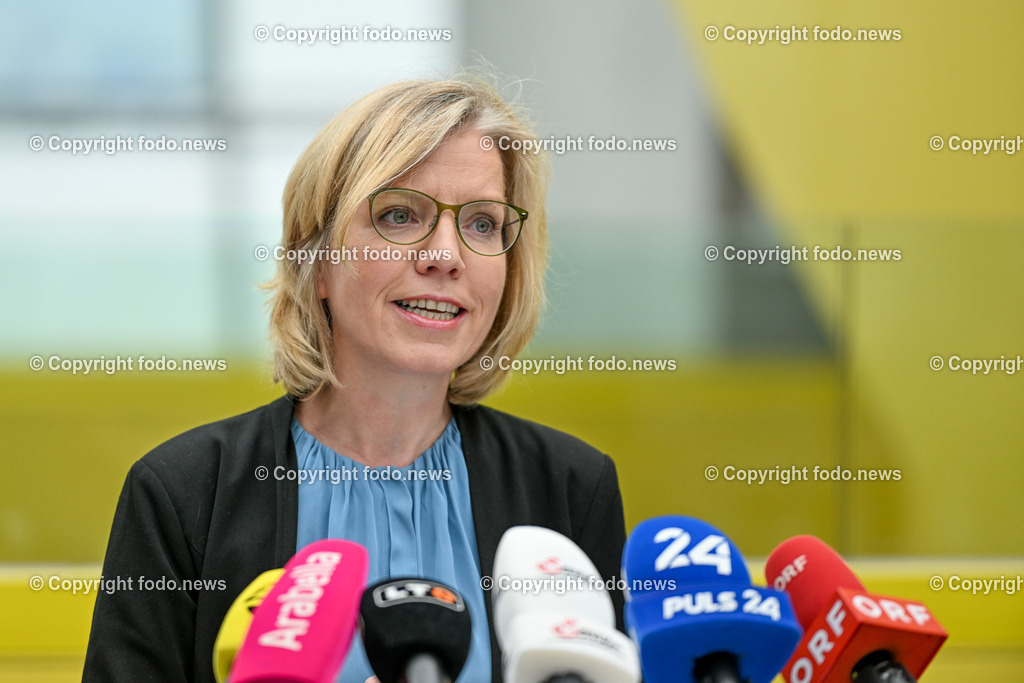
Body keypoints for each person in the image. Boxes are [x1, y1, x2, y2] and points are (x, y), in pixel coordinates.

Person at [83, 75, 627, 682]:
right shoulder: (184, 493)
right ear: (316, 263)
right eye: (399, 215)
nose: (445, 256)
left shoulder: (570, 490)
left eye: (481, 224)